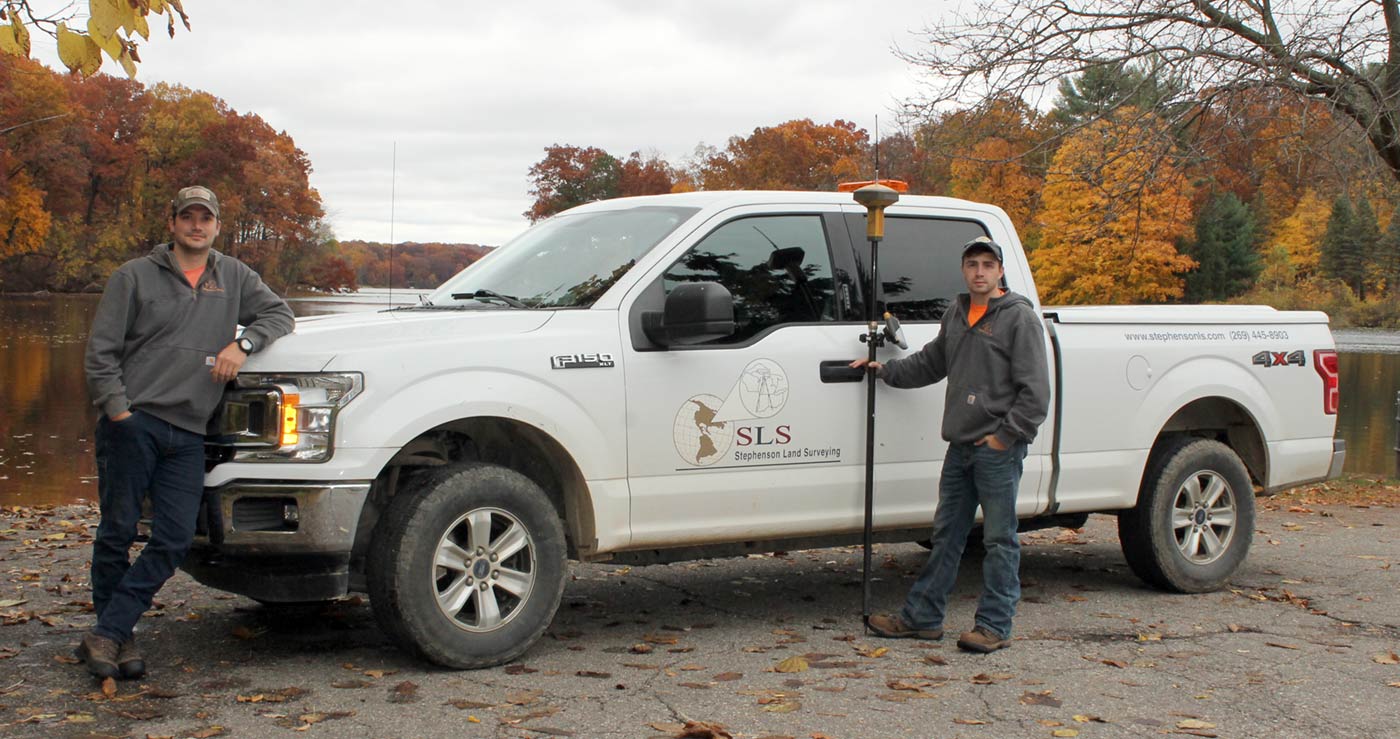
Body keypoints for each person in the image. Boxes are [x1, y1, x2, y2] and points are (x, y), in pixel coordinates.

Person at [80, 186, 294, 679]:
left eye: (206, 218)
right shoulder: (132, 276)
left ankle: (107, 632)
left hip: (189, 433)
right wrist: (118, 412)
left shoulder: (234, 275)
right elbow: (101, 353)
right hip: (134, 423)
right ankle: (118, 635)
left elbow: (279, 315)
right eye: (188, 217)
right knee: (117, 531)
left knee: (174, 539)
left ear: (217, 226)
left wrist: (243, 342)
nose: (197, 225)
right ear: (172, 222)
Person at [851, 236, 1050, 653]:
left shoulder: (1019, 320)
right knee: (947, 536)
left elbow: (1035, 394)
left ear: (999, 272)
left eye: (987, 265)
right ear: (964, 270)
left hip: (996, 450)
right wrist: (885, 371)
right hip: (959, 447)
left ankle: (994, 625)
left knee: (999, 540)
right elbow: (932, 361)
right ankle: (922, 618)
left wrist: (1003, 437)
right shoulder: (957, 313)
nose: (979, 272)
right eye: (972, 264)